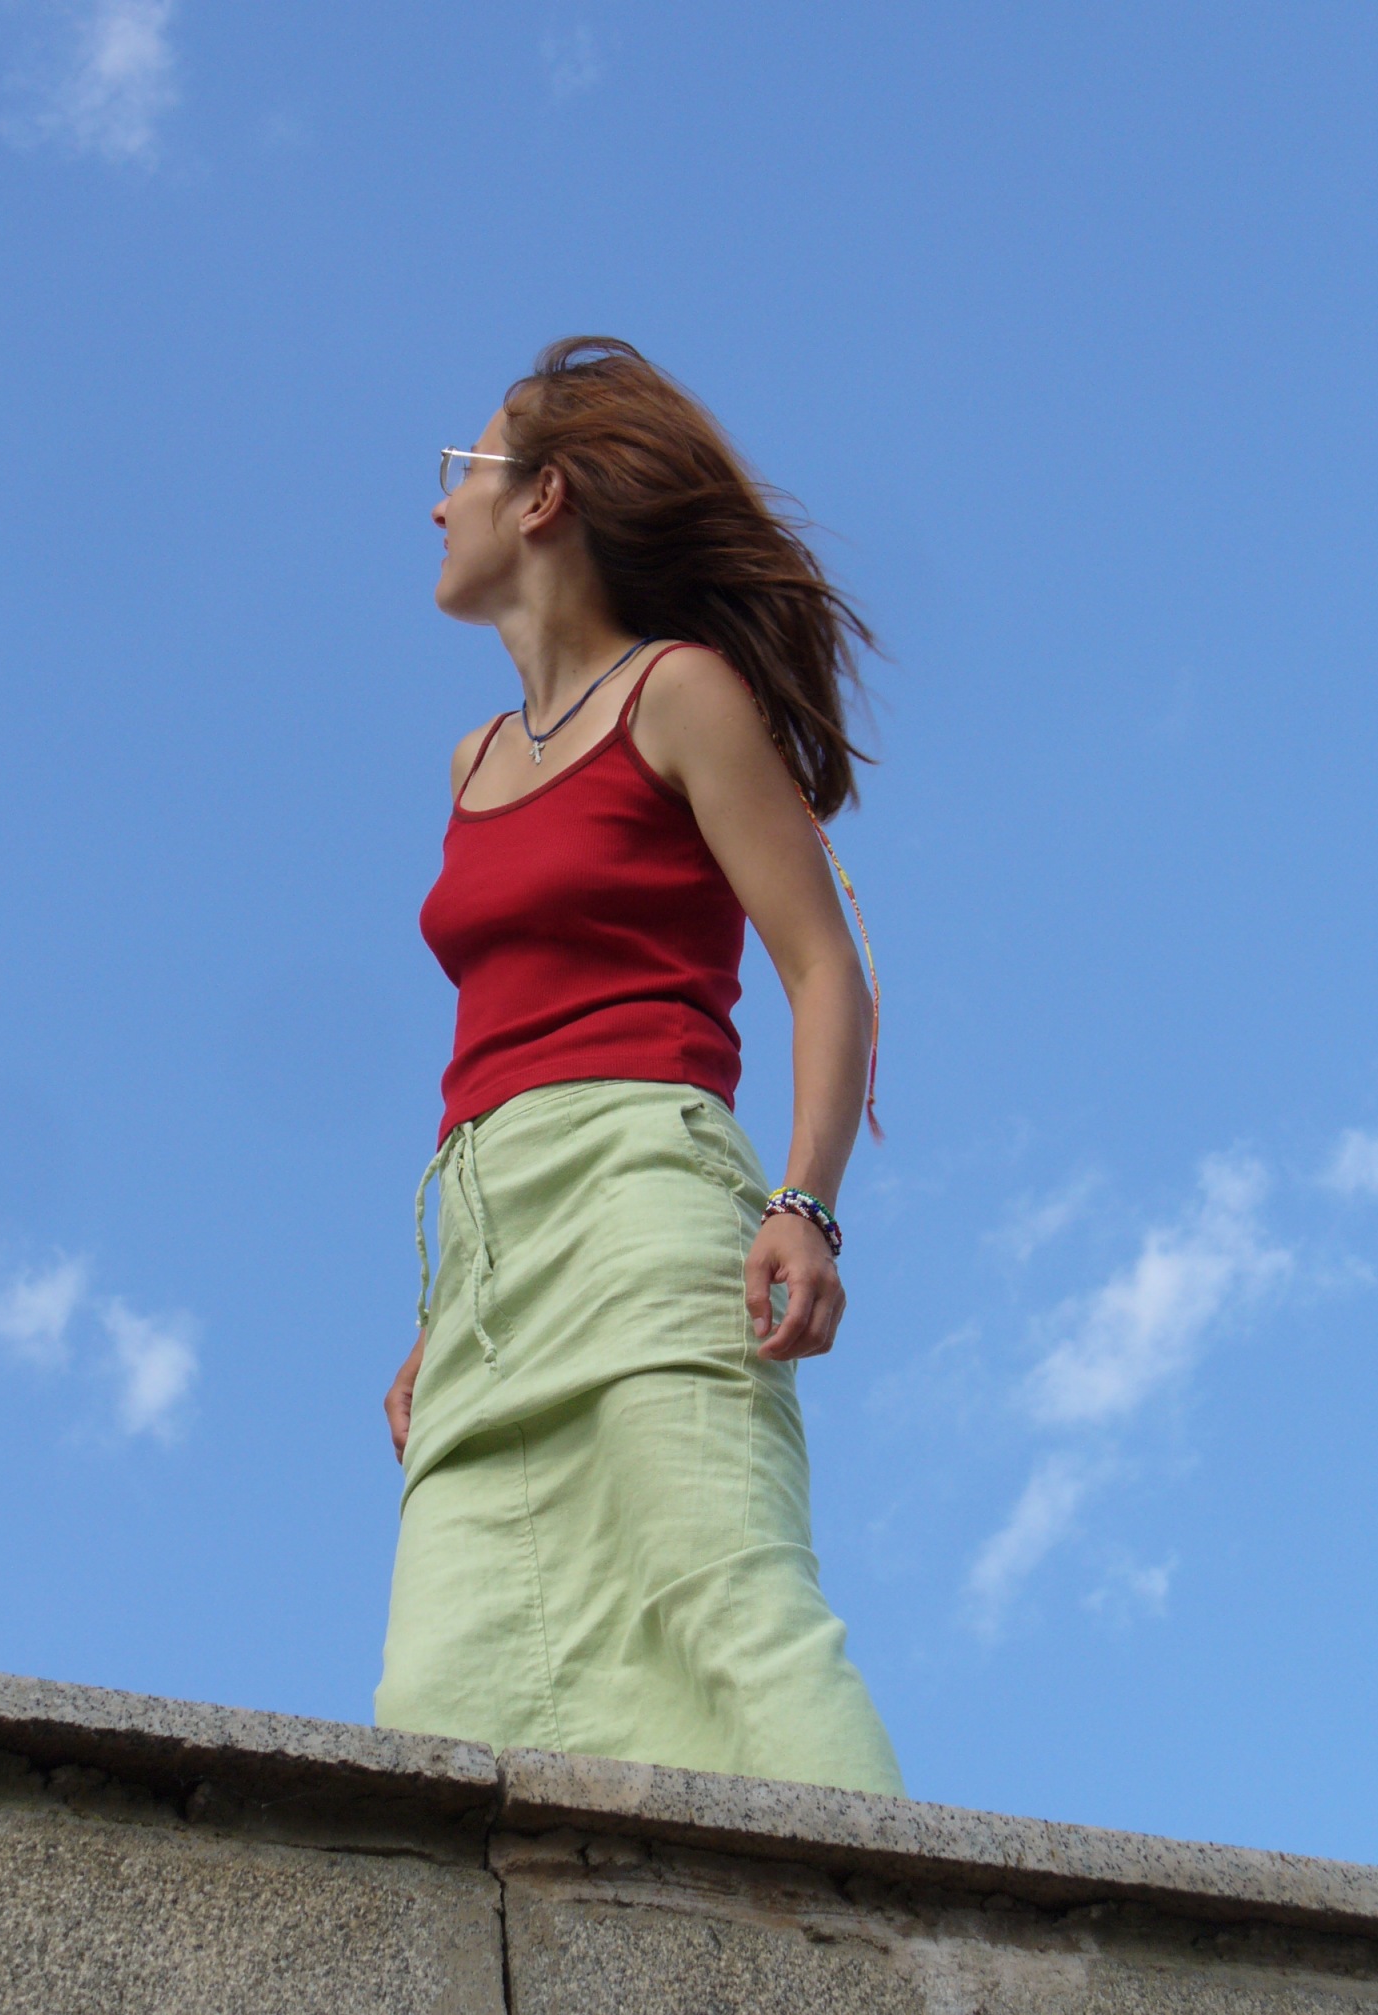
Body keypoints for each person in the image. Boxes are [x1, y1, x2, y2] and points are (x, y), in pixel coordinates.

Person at [373, 337, 904, 1798]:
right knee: (445, 1684)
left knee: (726, 1605)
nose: (439, 504)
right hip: (484, 1246)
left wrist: (805, 1203)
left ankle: (890, 1928)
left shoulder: (678, 694)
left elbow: (823, 969)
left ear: (543, 497)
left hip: (642, 1188)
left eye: (462, 470)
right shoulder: (473, 760)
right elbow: (494, 1041)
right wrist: (444, 1311)